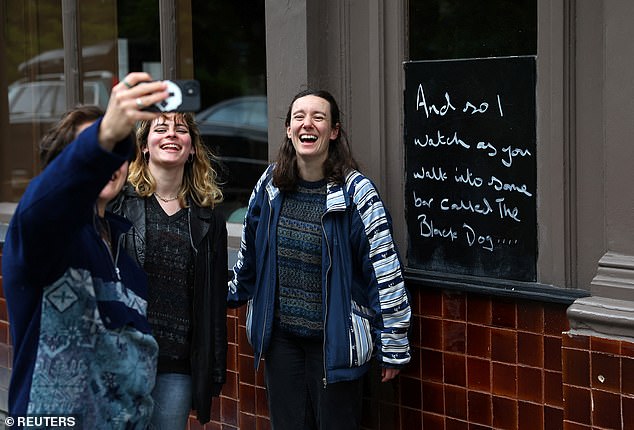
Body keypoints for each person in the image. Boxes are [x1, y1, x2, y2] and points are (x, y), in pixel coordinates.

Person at [228, 89, 411, 429]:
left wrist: (394, 344)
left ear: (334, 131)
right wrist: (229, 292)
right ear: (288, 129)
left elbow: (384, 272)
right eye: (299, 117)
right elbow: (249, 254)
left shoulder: (357, 194)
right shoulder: (270, 185)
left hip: (335, 343)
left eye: (318, 117)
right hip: (282, 342)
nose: (307, 124)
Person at [2, 72, 170, 429]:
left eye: (115, 153)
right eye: (95, 153)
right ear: (67, 168)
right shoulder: (43, 238)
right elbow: (43, 206)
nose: (108, 163)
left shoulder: (128, 260)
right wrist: (106, 135)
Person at [109, 111, 228, 428]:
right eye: (160, 129)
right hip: (125, 358)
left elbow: (213, 300)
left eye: (181, 130)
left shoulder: (208, 217)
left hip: (178, 365)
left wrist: (214, 369)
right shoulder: (118, 204)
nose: (171, 134)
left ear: (191, 149)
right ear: (145, 146)